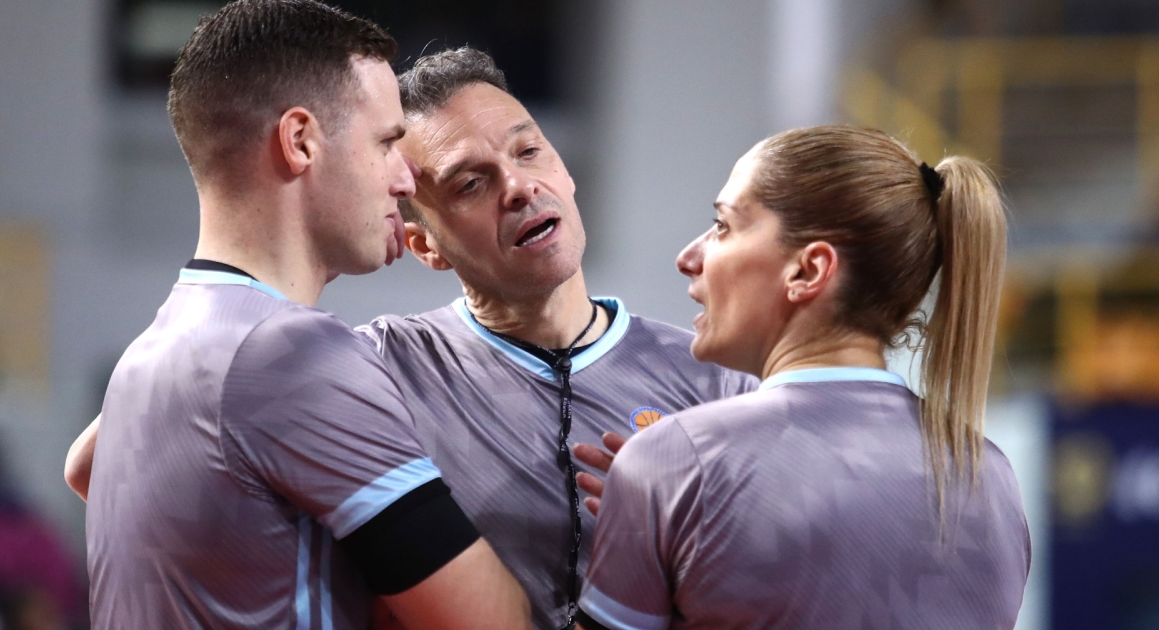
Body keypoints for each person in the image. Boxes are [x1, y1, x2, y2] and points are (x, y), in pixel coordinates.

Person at [66, 47, 756, 629]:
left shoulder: (718, 381)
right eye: (471, 183)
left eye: (529, 151)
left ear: (565, 171)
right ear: (426, 246)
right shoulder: (368, 366)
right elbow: (101, 459)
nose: (519, 187)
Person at [82, 3, 529, 629]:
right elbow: (495, 623)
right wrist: (638, 509)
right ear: (299, 142)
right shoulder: (294, 354)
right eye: (386, 143)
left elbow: (83, 468)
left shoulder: (154, 350)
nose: (406, 181)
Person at [574, 126, 1031, 630]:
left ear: (808, 270)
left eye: (722, 226)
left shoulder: (677, 462)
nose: (689, 258)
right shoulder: (993, 477)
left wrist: (659, 509)